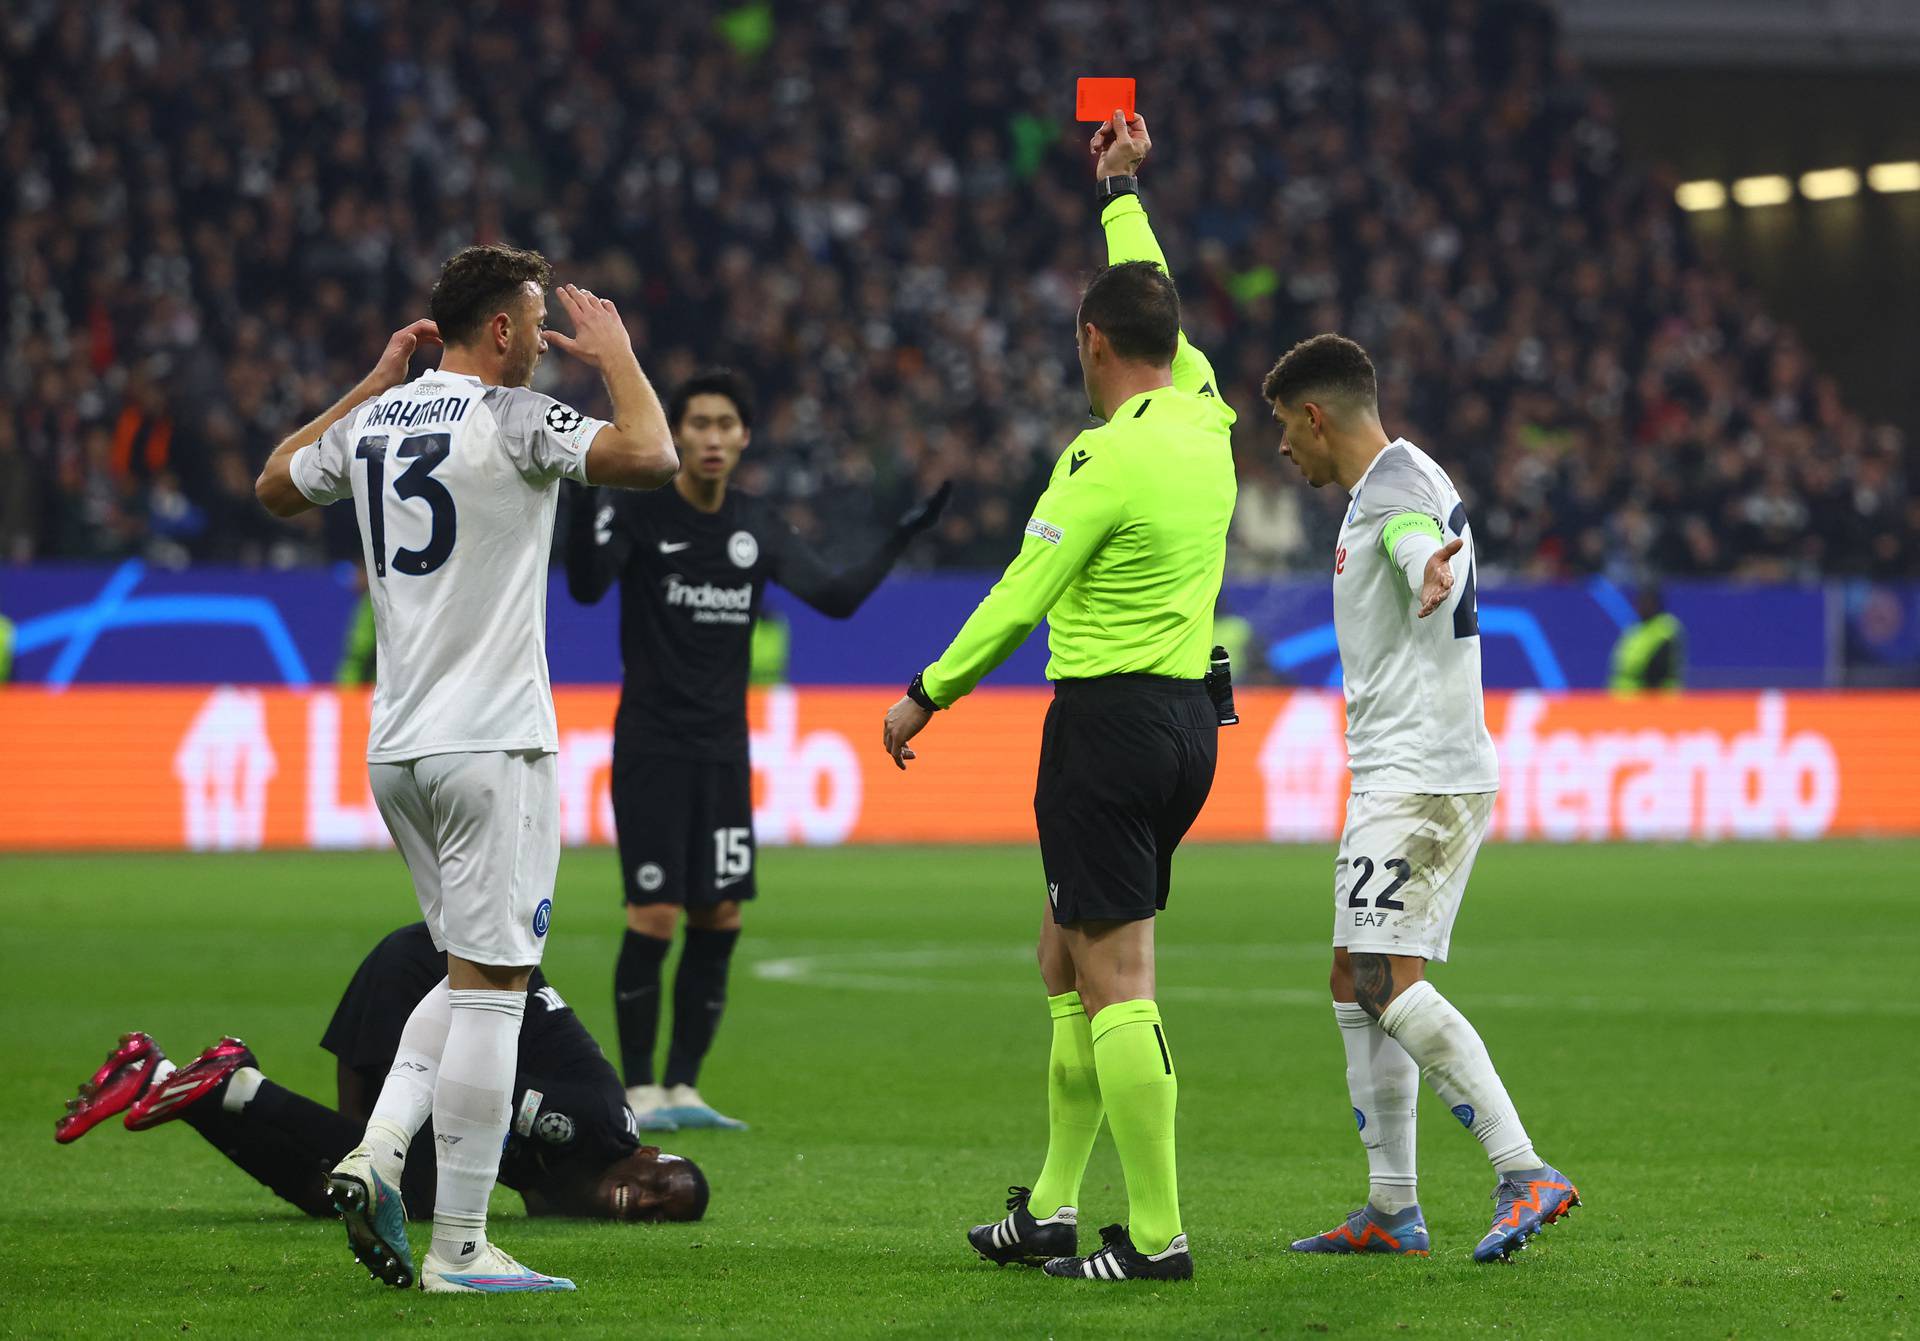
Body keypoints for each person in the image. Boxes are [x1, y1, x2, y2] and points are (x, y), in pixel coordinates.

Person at [254, 243, 679, 1293]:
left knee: (466, 972)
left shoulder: (372, 425)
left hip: (397, 748)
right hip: (492, 743)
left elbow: (271, 485)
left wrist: (371, 382)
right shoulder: (515, 418)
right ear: (499, 331)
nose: (545, 340)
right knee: (498, 992)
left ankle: (378, 1151)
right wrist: (620, 354)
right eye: (536, 324)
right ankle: (461, 1247)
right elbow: (654, 454)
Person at [882, 112, 1235, 1284]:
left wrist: (926, 694)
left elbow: (1018, 595)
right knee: (1059, 959)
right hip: (1188, 722)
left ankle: (1158, 1236)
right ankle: (1049, 1207)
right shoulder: (1207, 413)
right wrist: (1122, 187)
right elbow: (1158, 295)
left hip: (1108, 727)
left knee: (1114, 981)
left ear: (1090, 340)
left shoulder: (1102, 458)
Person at [1262, 333, 1581, 1263]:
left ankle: (1522, 1169)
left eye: (1287, 427)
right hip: (1400, 768)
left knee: (1383, 979)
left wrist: (1420, 568)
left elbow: (1411, 545)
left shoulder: (1396, 494)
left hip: (1422, 771)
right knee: (1351, 976)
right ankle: (1393, 1207)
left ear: (1317, 416)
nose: (1284, 448)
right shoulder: (1400, 478)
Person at [566, 368, 949, 1131]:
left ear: (744, 438)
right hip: (651, 747)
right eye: (698, 423)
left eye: (725, 424)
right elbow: (582, 587)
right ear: (677, 435)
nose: (711, 437)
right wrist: (582, 494)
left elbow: (835, 598)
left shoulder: (756, 524)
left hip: (724, 755)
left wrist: (901, 535)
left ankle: (684, 1087)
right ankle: (638, 1089)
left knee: (721, 914)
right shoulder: (641, 514)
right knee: (653, 917)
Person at [54, 923, 710, 1226]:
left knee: (342, 1190)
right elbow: (466, 1084)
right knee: (402, 1192)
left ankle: (175, 1080)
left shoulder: (578, 1189)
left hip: (431, 980)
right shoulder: (591, 1124)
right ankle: (228, 1081)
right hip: (427, 980)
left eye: (659, 1210)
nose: (647, 1198)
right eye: (658, 1181)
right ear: (645, 1152)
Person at [1608, 584, 1686, 692]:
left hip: (1653, 698)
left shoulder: (1664, 628)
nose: (1640, 607)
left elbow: (1659, 668)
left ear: (1656, 605)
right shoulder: (1637, 628)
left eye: (1646, 603)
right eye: (1640, 603)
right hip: (1627, 698)